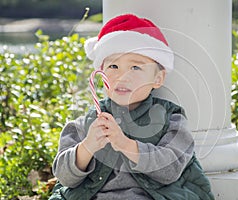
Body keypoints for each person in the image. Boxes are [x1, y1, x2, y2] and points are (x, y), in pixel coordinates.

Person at [49, 14, 214, 200]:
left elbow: (170, 170)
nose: (122, 76)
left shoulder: (172, 119)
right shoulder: (84, 124)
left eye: (135, 68)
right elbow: (64, 177)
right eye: (113, 66)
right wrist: (88, 147)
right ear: (101, 74)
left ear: (157, 78)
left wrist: (125, 144)